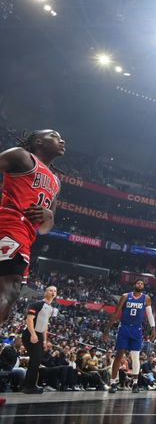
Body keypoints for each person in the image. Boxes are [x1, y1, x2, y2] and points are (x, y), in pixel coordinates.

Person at [0, 130, 63, 319]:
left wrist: (49, 215)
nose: (61, 140)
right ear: (38, 141)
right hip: (11, 224)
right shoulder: (21, 156)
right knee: (9, 289)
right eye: (54, 136)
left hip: (26, 235)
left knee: (11, 291)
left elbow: (44, 228)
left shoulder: (56, 182)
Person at [103, 279, 156, 393]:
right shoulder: (125, 296)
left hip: (137, 329)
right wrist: (106, 330)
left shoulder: (146, 298)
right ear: (134, 284)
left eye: (142, 283)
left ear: (143, 286)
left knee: (135, 356)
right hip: (124, 327)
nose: (140, 284)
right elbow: (115, 313)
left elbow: (150, 314)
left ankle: (135, 384)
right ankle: (113, 382)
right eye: (138, 283)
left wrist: (153, 328)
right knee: (119, 355)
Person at [22, 285, 57, 394]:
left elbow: (45, 325)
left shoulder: (51, 308)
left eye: (55, 291)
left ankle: (30, 385)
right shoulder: (37, 304)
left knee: (36, 361)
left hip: (39, 335)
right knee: (35, 360)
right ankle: (28, 387)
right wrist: (33, 334)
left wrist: (45, 341)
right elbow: (29, 320)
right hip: (31, 333)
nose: (53, 292)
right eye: (50, 290)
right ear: (45, 292)